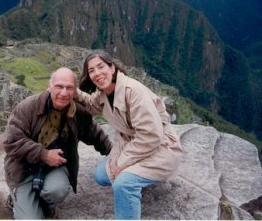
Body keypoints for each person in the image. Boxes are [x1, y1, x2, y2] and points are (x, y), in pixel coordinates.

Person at [76, 50, 183, 220]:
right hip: (133, 145)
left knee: (122, 184)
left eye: (101, 67)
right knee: (101, 176)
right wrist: (71, 91)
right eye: (91, 71)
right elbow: (92, 105)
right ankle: (142, 180)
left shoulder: (132, 91)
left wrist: (123, 161)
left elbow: (151, 135)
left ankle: (137, 183)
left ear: (112, 68)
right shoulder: (104, 93)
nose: (97, 73)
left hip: (160, 148)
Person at [3, 67, 112, 219]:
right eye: (59, 86)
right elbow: (11, 141)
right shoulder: (28, 108)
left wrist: (116, 156)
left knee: (57, 190)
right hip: (23, 169)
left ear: (75, 91)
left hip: (54, 167)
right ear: (50, 86)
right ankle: (18, 199)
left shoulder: (77, 113)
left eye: (69, 88)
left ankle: (47, 205)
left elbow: (95, 135)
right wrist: (43, 154)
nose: (64, 93)